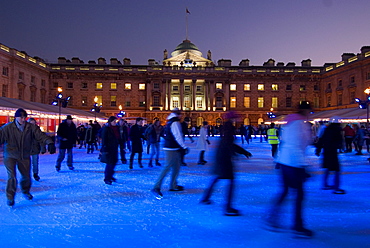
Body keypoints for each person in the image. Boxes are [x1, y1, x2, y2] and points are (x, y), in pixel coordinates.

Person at [265, 101, 314, 238]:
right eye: (309, 111)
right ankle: (298, 226)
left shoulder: (289, 122)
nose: (310, 114)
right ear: (305, 111)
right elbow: (298, 145)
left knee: (285, 191)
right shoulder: (301, 124)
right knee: (299, 195)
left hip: (284, 161)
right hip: (294, 163)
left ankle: (272, 217)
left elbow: (285, 142)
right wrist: (303, 165)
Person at [199, 112, 252, 216]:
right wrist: (242, 152)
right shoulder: (229, 127)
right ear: (232, 119)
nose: (238, 120)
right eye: (236, 118)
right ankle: (228, 207)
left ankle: (206, 198)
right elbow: (229, 144)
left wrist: (240, 151)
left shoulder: (226, 127)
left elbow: (228, 143)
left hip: (221, 156)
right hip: (224, 158)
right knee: (231, 181)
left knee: (217, 178)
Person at [0, 108, 56, 207]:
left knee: (26, 176)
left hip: (24, 155)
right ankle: (10, 197)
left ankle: (25, 191)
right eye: (21, 117)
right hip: (10, 155)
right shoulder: (7, 128)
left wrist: (50, 142)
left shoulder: (30, 127)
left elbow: (40, 136)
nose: (23, 119)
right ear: (16, 117)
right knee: (11, 177)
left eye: (24, 117)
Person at [151, 108, 189, 199]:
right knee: (167, 167)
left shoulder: (171, 121)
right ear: (178, 114)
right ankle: (156, 187)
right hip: (171, 148)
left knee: (176, 166)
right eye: (181, 114)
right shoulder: (175, 122)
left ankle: (173, 185)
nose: (181, 116)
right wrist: (184, 146)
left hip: (173, 147)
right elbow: (178, 136)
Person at [315, 117, 346, 194]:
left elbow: (321, 139)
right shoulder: (337, 130)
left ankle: (325, 184)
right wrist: (340, 146)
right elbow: (339, 141)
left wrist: (318, 149)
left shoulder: (326, 129)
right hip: (333, 152)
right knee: (337, 169)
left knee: (328, 168)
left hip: (326, 151)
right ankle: (336, 187)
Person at [100, 116, 120, 185]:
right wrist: (104, 148)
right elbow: (104, 139)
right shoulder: (107, 129)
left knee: (114, 162)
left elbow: (118, 138)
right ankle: (107, 178)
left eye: (115, 121)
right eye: (114, 121)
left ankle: (110, 176)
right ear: (110, 122)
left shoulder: (117, 128)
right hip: (108, 148)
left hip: (115, 148)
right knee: (109, 163)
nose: (115, 122)